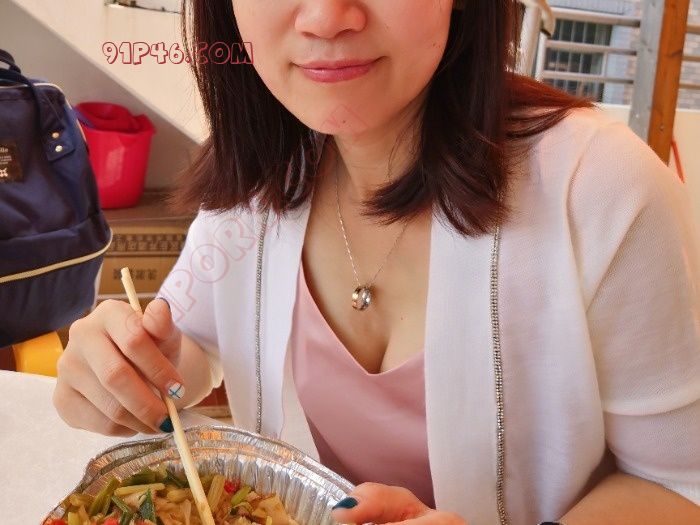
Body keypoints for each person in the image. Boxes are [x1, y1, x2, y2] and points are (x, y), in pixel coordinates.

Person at [53, 1, 700, 524]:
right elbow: (191, 345)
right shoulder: (258, 181)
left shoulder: (598, 189)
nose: (325, 18)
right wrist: (123, 371)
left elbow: (680, 486)